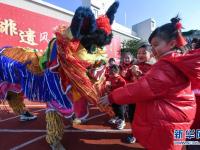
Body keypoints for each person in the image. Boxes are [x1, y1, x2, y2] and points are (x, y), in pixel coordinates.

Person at [99, 16, 200, 150]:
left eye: (156, 45)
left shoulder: (166, 65)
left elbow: (141, 88)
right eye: (152, 46)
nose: (153, 50)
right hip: (173, 118)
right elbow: (155, 84)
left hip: (166, 124)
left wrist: (112, 97)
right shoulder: (176, 62)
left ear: (171, 43)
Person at [126, 44, 153, 143]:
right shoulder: (134, 64)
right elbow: (127, 78)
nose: (140, 55)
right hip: (133, 97)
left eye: (144, 53)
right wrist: (127, 73)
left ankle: (147, 135)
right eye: (138, 53)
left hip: (146, 99)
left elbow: (151, 82)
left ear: (151, 54)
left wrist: (139, 74)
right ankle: (134, 134)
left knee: (146, 118)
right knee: (132, 116)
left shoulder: (153, 67)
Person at [105, 65, 126, 129]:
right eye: (109, 72)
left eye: (112, 72)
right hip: (112, 97)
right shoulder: (109, 78)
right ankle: (116, 117)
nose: (110, 73)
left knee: (120, 109)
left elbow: (122, 88)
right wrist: (107, 90)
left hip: (120, 98)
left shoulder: (120, 79)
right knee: (114, 108)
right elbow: (108, 86)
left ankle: (122, 121)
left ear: (116, 72)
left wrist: (112, 87)